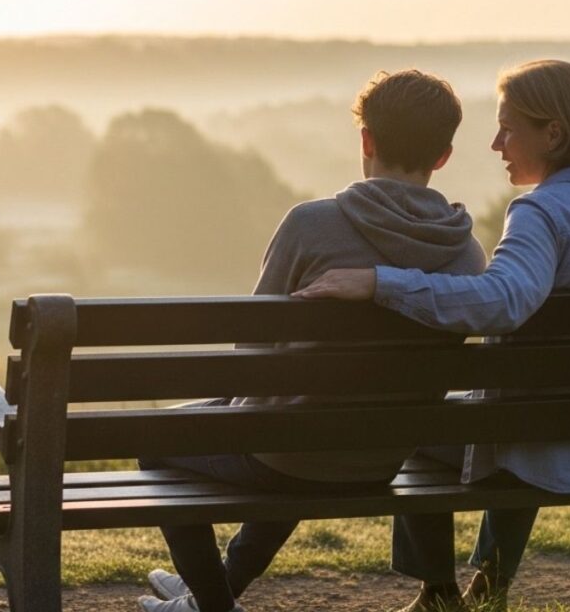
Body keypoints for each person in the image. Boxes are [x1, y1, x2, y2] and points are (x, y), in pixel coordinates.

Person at [295, 59, 570, 612]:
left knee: (418, 424)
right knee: (515, 407)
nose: (497, 144)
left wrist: (382, 282)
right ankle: (486, 589)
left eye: (508, 128)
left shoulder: (541, 212)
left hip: (545, 444)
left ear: (554, 133)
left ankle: (439, 592)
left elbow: (502, 301)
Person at [137, 69, 488, 612]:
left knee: (157, 441)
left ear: (366, 140)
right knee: (293, 425)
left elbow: (250, 353)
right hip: (385, 456)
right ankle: (212, 591)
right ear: (443, 156)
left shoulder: (310, 224)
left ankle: (210, 604)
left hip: (289, 452)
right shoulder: (466, 253)